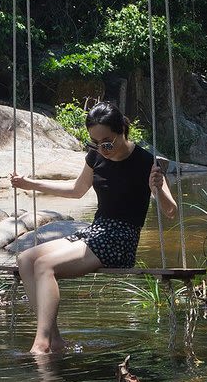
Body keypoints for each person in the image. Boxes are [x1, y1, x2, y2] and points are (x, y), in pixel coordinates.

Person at [10, 102, 177, 354]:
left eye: (107, 142)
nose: (103, 149)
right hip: (96, 232)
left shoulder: (146, 162)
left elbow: (171, 210)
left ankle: (40, 344)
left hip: (121, 239)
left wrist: (158, 186)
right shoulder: (96, 156)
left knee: (44, 266)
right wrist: (30, 184)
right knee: (26, 259)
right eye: (95, 143)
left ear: (122, 129)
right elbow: (77, 191)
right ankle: (54, 342)